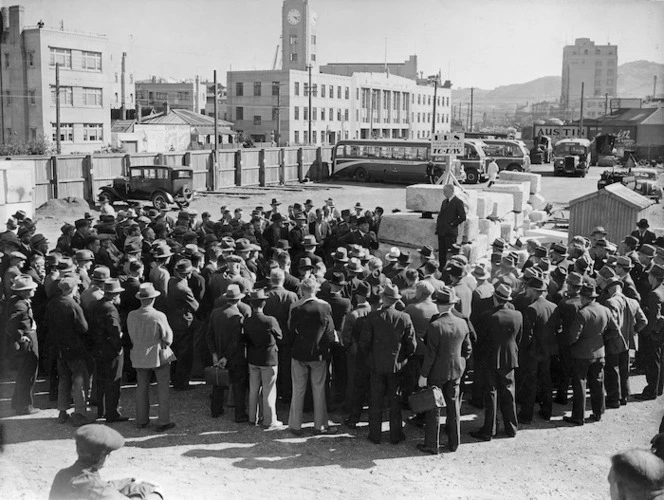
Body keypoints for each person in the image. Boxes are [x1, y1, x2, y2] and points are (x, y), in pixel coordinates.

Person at [417, 287, 472, 454]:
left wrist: (423, 375)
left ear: (438, 305)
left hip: (436, 372)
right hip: (456, 371)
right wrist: (459, 363)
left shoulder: (435, 326)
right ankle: (454, 442)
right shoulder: (462, 322)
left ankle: (432, 444)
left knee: (434, 408)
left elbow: (430, 355)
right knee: (453, 406)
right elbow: (467, 350)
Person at [360, 284, 416, 445]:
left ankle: (375, 434)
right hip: (396, 366)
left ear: (383, 299)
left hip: (376, 366)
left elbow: (364, 343)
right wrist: (402, 358)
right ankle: (395, 435)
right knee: (395, 401)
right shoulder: (404, 318)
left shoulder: (372, 317)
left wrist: (370, 358)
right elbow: (411, 345)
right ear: (395, 300)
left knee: (375, 400)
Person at [49, 424, 163, 500]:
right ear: (102, 457)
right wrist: (149, 489)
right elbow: (101, 489)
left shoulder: (62, 474)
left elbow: (103, 485)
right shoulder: (97, 489)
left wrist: (130, 481)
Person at [470, 284, 522, 441]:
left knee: (491, 393)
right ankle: (511, 427)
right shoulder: (517, 314)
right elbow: (518, 337)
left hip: (490, 358)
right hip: (509, 357)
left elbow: (480, 340)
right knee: (508, 392)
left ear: (494, 297)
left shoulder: (488, 316)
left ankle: (489, 429)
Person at [564, 282, 620, 425]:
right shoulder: (605, 310)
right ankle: (598, 412)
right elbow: (615, 330)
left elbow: (573, 337)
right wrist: (602, 339)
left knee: (580, 384)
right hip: (599, 353)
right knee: (597, 384)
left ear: (583, 297)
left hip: (582, 354)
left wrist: (568, 344)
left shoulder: (582, 313)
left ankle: (578, 416)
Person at [288, 277, 337, 435]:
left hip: (299, 352)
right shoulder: (325, 306)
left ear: (302, 289)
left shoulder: (295, 307)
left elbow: (291, 328)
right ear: (315, 289)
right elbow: (330, 331)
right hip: (318, 353)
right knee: (319, 389)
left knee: (298, 389)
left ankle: (295, 425)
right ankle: (320, 425)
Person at [128, 283, 175, 432]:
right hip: (158, 354)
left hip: (139, 354)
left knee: (141, 388)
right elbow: (167, 338)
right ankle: (163, 420)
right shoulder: (158, 316)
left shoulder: (131, 315)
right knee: (162, 388)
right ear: (153, 299)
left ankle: (141, 420)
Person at [46, 277, 90, 427]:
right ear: (73, 289)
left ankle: (62, 411)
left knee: (63, 379)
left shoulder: (52, 303)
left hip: (58, 348)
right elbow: (83, 328)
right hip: (75, 349)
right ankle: (80, 413)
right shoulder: (73, 305)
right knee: (79, 380)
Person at [206, 284, 248, 422]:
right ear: (238, 300)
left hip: (218, 353)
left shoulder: (215, 313)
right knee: (238, 384)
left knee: (218, 382)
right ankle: (239, 414)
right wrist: (226, 357)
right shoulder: (238, 315)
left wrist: (214, 354)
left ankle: (215, 410)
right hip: (236, 356)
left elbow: (209, 335)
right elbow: (235, 340)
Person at [518, 275, 557, 423]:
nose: (525, 290)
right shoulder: (553, 306)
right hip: (547, 351)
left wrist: (524, 350)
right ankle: (547, 411)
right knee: (546, 381)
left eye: (527, 287)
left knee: (530, 383)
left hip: (534, 352)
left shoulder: (531, 309)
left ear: (534, 290)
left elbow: (527, 335)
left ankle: (526, 414)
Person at [244, 289, 283, 428]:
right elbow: (280, 336)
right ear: (264, 303)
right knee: (269, 390)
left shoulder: (247, 321)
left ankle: (252, 417)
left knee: (254, 389)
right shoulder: (270, 320)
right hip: (269, 358)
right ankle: (269, 420)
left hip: (253, 358)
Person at [89, 278, 127, 423]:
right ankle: (112, 413)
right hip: (111, 350)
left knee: (101, 380)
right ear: (115, 294)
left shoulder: (95, 305)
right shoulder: (111, 309)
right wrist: (118, 348)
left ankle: (102, 410)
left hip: (98, 348)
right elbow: (115, 331)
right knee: (113, 381)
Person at [6, 274, 40, 415]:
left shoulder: (18, 301)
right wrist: (20, 337)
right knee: (29, 373)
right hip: (28, 339)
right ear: (25, 291)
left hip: (27, 336)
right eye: (32, 288)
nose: (34, 290)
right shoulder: (20, 305)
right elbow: (10, 326)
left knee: (23, 373)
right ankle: (25, 406)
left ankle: (18, 403)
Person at [166, 259, 199, 391]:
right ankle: (182, 382)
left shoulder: (171, 281)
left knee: (175, 352)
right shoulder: (184, 288)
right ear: (188, 273)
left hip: (172, 321)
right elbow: (196, 306)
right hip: (184, 324)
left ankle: (174, 379)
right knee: (185, 354)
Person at [435, 184, 466, 268]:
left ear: (451, 191)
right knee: (441, 253)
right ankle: (441, 269)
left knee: (450, 253)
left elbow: (463, 217)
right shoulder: (444, 202)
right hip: (442, 231)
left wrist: (453, 223)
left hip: (450, 232)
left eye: (445, 191)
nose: (444, 193)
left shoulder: (458, 202)